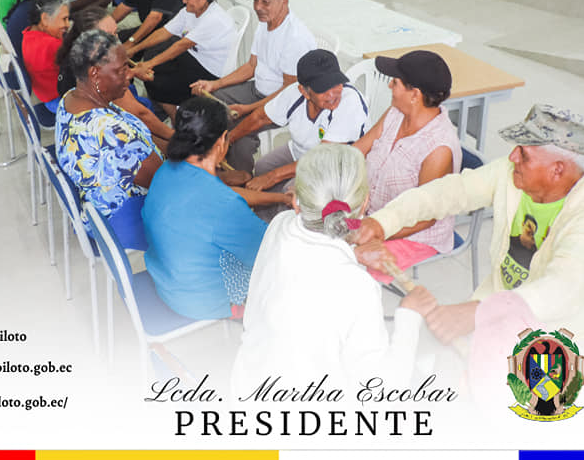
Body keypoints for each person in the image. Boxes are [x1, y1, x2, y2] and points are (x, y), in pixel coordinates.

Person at [352, 103, 584, 343]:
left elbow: (562, 289)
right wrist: (381, 222)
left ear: (557, 170)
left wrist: (478, 313)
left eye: (524, 154)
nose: (512, 157)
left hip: (572, 342)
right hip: (503, 315)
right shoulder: (511, 173)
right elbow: (448, 192)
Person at [231, 144, 438, 394]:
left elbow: (310, 267)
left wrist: (352, 254)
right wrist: (409, 315)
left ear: (295, 201)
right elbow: (382, 391)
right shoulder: (357, 287)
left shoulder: (280, 224)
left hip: (247, 386)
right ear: (365, 204)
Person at [142, 97, 267, 320]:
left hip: (166, 281)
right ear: (221, 142)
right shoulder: (224, 204)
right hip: (204, 301)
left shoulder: (165, 170)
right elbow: (265, 253)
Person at [191, 0, 316, 171]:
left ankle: (240, 180)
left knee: (241, 134)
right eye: (256, 0)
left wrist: (248, 108)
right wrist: (214, 84)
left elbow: (289, 91)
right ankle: (210, 161)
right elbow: (251, 66)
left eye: (265, 2)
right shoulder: (264, 24)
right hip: (257, 89)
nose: (258, 7)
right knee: (208, 104)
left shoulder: (295, 38)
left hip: (285, 101)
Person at [353, 51, 460, 277]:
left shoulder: (438, 149)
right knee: (323, 237)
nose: (389, 85)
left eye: (395, 82)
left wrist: (376, 230)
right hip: (372, 216)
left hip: (413, 233)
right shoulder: (396, 112)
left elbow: (424, 217)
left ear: (415, 95)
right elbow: (358, 150)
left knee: (349, 267)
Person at [55, 30, 161, 250]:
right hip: (127, 218)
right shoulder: (110, 131)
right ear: (94, 73)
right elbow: (163, 182)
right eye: (121, 70)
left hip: (97, 213)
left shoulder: (70, 98)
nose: (129, 76)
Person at [230, 49, 368, 201]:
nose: (332, 94)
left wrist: (273, 176)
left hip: (333, 167)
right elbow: (260, 118)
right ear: (304, 91)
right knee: (262, 167)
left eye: (336, 84)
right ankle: (266, 208)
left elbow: (322, 158)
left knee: (290, 192)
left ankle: (278, 209)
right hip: (300, 152)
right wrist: (227, 140)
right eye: (322, 89)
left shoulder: (350, 102)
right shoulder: (293, 94)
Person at [55, 6, 174, 143]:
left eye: (116, 33)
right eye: (109, 36)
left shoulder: (78, 54)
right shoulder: (100, 72)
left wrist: (133, 71)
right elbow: (141, 114)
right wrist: (175, 138)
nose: (116, 40)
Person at [127, 0, 236, 109]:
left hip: (209, 70)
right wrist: (134, 49)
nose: (183, 1)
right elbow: (164, 32)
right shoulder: (189, 11)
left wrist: (149, 64)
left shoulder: (214, 19)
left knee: (155, 81)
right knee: (153, 64)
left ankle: (174, 118)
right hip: (192, 57)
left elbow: (181, 46)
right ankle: (164, 107)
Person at [21, 0, 70, 112]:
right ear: (45, 19)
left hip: (46, 97)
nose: (67, 24)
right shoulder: (52, 45)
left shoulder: (28, 34)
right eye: (64, 19)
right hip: (60, 102)